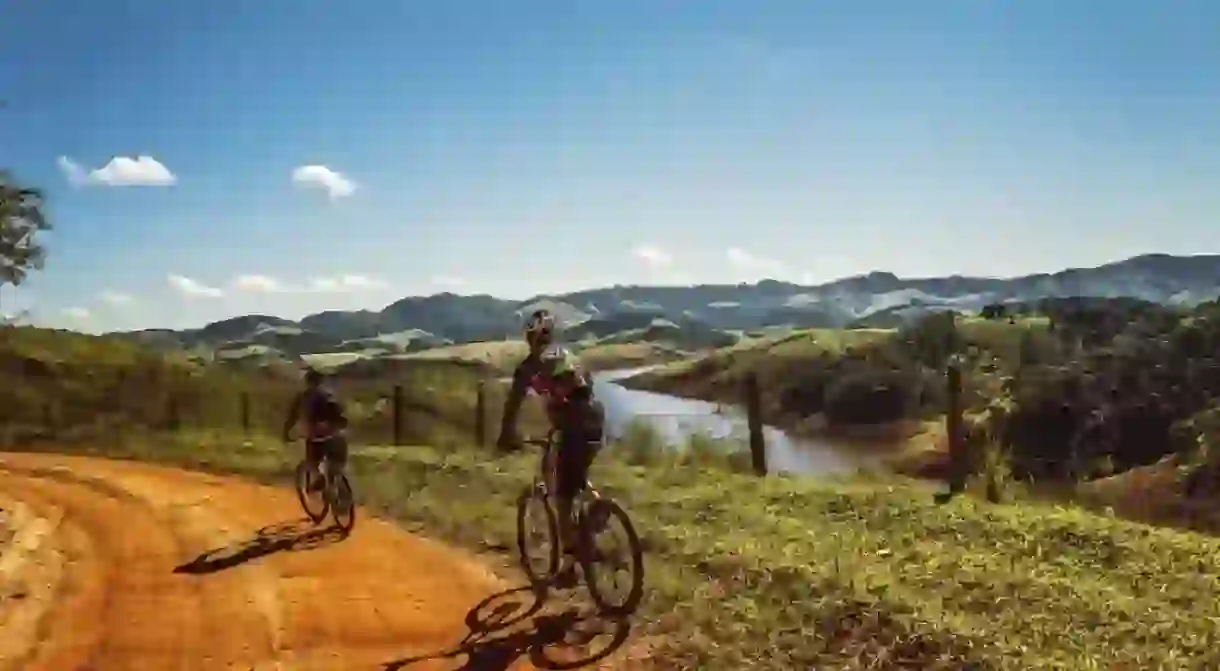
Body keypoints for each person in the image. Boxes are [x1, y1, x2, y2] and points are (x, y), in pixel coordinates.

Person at [497, 309, 605, 577]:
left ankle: (569, 567)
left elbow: (513, 405)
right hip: (596, 421)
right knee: (576, 476)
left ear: (529, 337)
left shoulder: (529, 367)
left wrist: (506, 435)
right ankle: (595, 508)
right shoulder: (570, 357)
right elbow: (587, 388)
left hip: (571, 426)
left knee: (562, 498)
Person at [282, 367, 350, 493]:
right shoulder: (330, 394)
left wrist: (286, 433)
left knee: (312, 460)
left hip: (318, 435)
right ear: (321, 381)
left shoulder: (303, 397)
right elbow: (342, 414)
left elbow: (292, 417)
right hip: (338, 433)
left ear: (307, 381)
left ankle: (320, 478)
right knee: (338, 463)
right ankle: (341, 486)